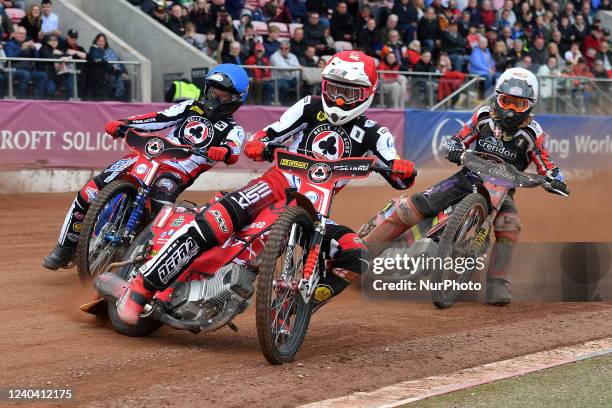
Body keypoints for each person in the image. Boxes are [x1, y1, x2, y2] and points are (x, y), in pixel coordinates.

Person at [114, 51, 417, 325]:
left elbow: (398, 173)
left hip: (315, 207)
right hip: (275, 185)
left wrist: (404, 168)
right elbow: (271, 132)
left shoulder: (376, 133)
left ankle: (292, 310)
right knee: (218, 221)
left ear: (367, 95)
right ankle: (142, 287)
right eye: (335, 89)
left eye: (348, 93)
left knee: (356, 256)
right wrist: (258, 143)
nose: (338, 99)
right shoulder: (309, 106)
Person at [360, 67, 569, 305]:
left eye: (519, 105)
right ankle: (360, 254)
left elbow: (547, 164)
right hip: (467, 177)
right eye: (506, 101)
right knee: (411, 208)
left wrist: (556, 179)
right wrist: (455, 147)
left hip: (503, 190)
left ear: (531, 105)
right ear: (497, 97)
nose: (510, 110)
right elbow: (459, 138)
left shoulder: (533, 134)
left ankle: (497, 282)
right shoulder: (482, 117)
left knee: (509, 224)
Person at [42, 64, 250, 270]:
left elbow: (233, 149)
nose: (215, 97)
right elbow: (158, 119)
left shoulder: (235, 129)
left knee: (160, 214)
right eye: (213, 91)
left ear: (236, 100)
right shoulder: (189, 106)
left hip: (176, 173)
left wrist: (223, 152)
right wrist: (124, 123)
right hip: (147, 155)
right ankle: (65, 247)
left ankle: (141, 266)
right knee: (90, 191)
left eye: (223, 95)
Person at [4, 26, 48, 98]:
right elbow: (10, 58)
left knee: (43, 75)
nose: (22, 35)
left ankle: (37, 98)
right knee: (25, 74)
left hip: (28, 70)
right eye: (20, 33)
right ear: (14, 34)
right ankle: (20, 97)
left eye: (24, 34)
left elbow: (37, 59)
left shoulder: (27, 44)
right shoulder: (9, 44)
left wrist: (34, 49)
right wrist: (21, 49)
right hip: (12, 70)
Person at [270, 40, 301, 105]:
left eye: (286, 48)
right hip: (278, 79)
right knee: (285, 86)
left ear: (289, 49)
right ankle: (284, 105)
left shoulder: (293, 56)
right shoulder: (274, 56)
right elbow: (282, 68)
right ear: (279, 48)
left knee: (303, 85)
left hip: (292, 78)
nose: (283, 50)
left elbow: (298, 69)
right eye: (281, 48)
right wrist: (292, 68)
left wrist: (298, 79)